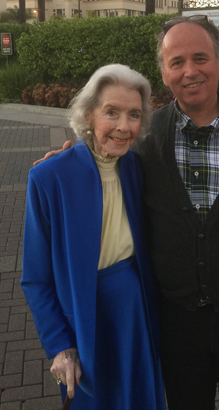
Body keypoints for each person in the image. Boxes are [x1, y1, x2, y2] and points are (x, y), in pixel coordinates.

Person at [33, 16, 219, 410]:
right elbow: (104, 153)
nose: (189, 71)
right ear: (164, 73)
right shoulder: (147, 138)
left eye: (200, 58)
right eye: (176, 62)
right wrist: (65, 163)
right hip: (176, 323)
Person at [21, 64, 166, 410]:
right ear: (88, 114)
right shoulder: (48, 177)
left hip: (135, 312)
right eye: (111, 112)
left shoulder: (136, 167)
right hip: (84, 315)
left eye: (133, 115)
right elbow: (36, 279)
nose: (123, 126)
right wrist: (59, 345)